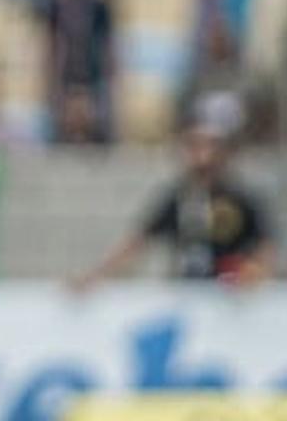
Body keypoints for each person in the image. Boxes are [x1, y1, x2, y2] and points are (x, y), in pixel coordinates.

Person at [72, 100, 274, 287]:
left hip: (228, 297)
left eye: (209, 146)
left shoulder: (241, 199)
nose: (202, 155)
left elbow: (264, 246)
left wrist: (252, 273)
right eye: (194, 145)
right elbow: (137, 243)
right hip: (187, 291)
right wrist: (95, 277)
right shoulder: (177, 198)